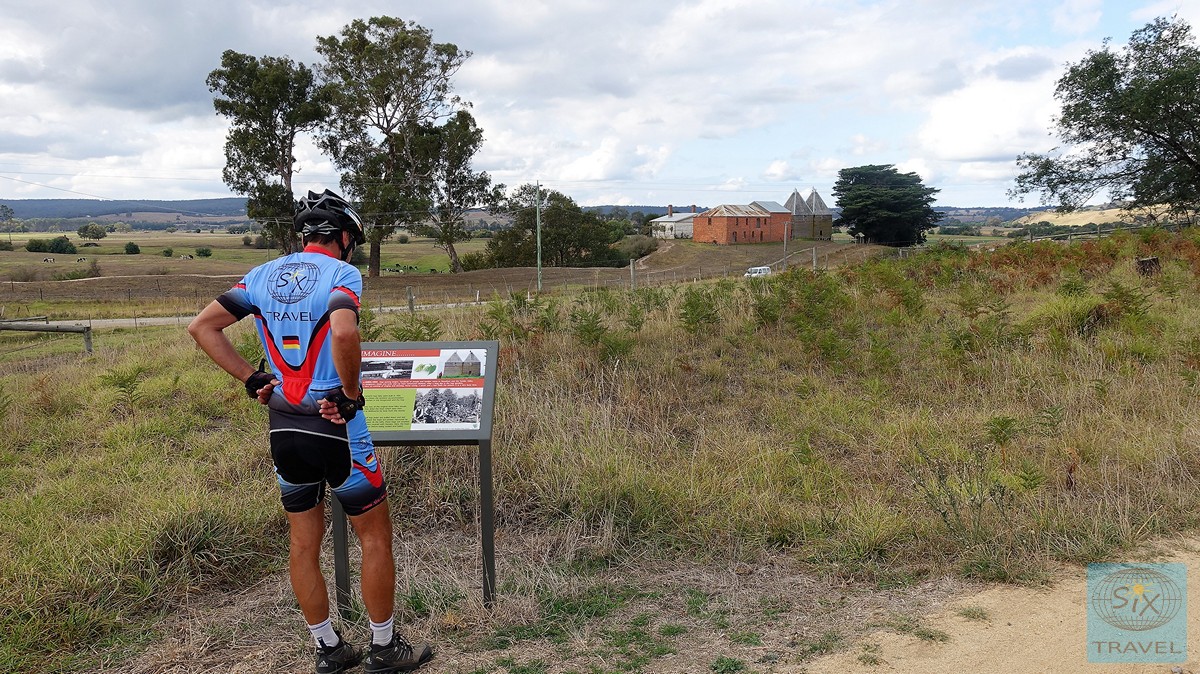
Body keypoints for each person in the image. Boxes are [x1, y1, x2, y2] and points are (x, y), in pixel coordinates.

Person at [187, 189, 433, 674]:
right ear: (343, 238)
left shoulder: (260, 276)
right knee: (375, 537)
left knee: (303, 542)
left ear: (305, 238)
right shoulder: (342, 274)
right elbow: (344, 332)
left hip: (283, 424)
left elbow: (202, 328)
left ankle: (327, 648)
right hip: (336, 426)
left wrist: (252, 378)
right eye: (352, 242)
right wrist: (350, 392)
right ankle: (384, 648)